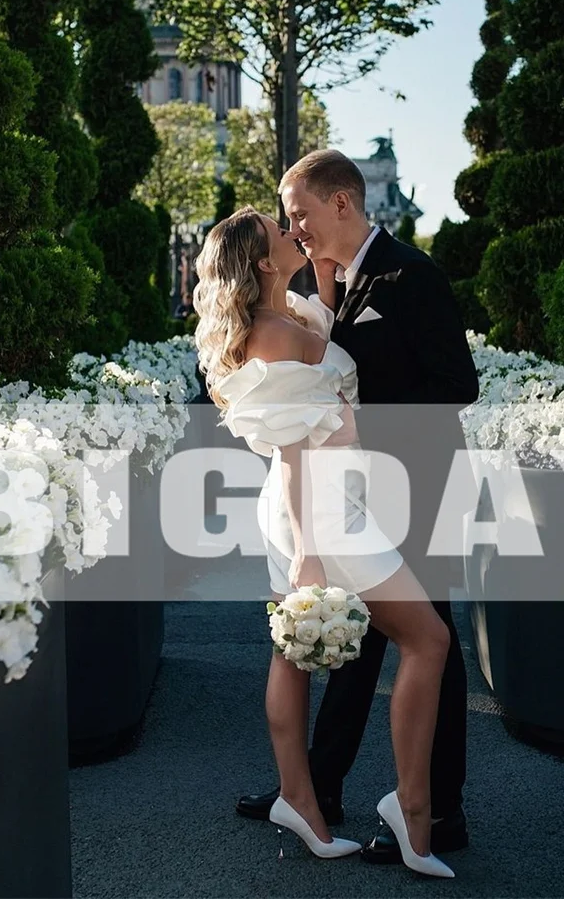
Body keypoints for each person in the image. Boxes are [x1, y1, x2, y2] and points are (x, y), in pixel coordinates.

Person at [193, 202, 458, 878]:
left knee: (294, 654)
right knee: (427, 639)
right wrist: (312, 551)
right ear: (259, 262)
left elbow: (327, 329)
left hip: (317, 504)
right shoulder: (275, 335)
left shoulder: (292, 314)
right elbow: (294, 454)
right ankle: (412, 807)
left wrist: (323, 272)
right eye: (280, 232)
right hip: (319, 508)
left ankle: (301, 803)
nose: (292, 232)